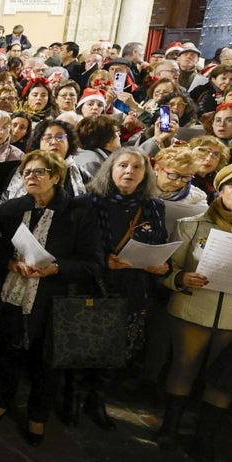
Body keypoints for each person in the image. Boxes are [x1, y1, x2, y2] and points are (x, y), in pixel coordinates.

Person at [157, 162, 232, 461]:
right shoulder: (192, 224)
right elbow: (166, 268)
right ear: (221, 190)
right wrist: (180, 279)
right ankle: (169, 430)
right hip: (192, 309)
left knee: (223, 379)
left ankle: (205, 437)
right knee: (183, 368)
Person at [0, 151, 101, 446]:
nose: (31, 178)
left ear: (56, 177)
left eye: (39, 172)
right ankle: (1, 402)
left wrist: (56, 269)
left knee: (44, 361)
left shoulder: (77, 213)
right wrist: (10, 264)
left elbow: (93, 263)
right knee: (8, 353)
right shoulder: (11, 209)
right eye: (27, 173)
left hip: (52, 297)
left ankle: (37, 417)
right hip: (13, 291)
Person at [75, 148, 169, 427]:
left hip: (132, 287)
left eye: (137, 167)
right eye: (123, 165)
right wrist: (102, 261)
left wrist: (160, 266)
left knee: (114, 351)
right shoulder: (87, 202)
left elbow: (158, 243)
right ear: (110, 169)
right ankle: (70, 397)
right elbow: (72, 246)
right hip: (93, 284)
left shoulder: (154, 206)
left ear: (145, 174)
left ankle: (96, 400)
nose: (129, 171)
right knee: (81, 346)